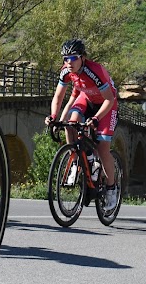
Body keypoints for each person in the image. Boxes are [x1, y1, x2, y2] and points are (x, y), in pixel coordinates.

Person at [45, 39, 119, 210]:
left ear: (83, 58)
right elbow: (58, 97)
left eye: (73, 58)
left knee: (102, 148)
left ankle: (111, 187)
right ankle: (76, 160)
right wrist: (54, 116)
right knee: (71, 123)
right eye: (65, 58)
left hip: (107, 105)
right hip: (87, 99)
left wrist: (96, 118)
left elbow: (109, 99)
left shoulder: (95, 71)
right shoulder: (66, 72)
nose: (69, 62)